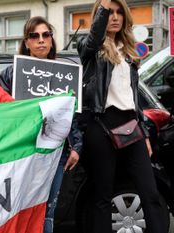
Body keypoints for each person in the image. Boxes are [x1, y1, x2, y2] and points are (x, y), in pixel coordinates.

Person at [77, 0, 165, 232]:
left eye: (119, 13)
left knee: (150, 193)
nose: (114, 17)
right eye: (108, 13)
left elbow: (133, 98)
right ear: (100, 16)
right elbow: (93, 39)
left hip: (130, 125)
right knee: (102, 196)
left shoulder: (129, 51)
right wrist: (104, 6)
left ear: (125, 17)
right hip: (100, 125)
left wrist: (144, 132)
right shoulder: (89, 46)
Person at [0, 16, 81, 233]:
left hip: (56, 153)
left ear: (51, 40)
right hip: (21, 153)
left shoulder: (66, 74)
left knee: (47, 210)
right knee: (19, 209)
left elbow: (77, 114)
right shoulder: (10, 74)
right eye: (34, 36)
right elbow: (0, 114)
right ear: (27, 42)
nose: (41, 40)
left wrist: (76, 147)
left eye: (46, 35)